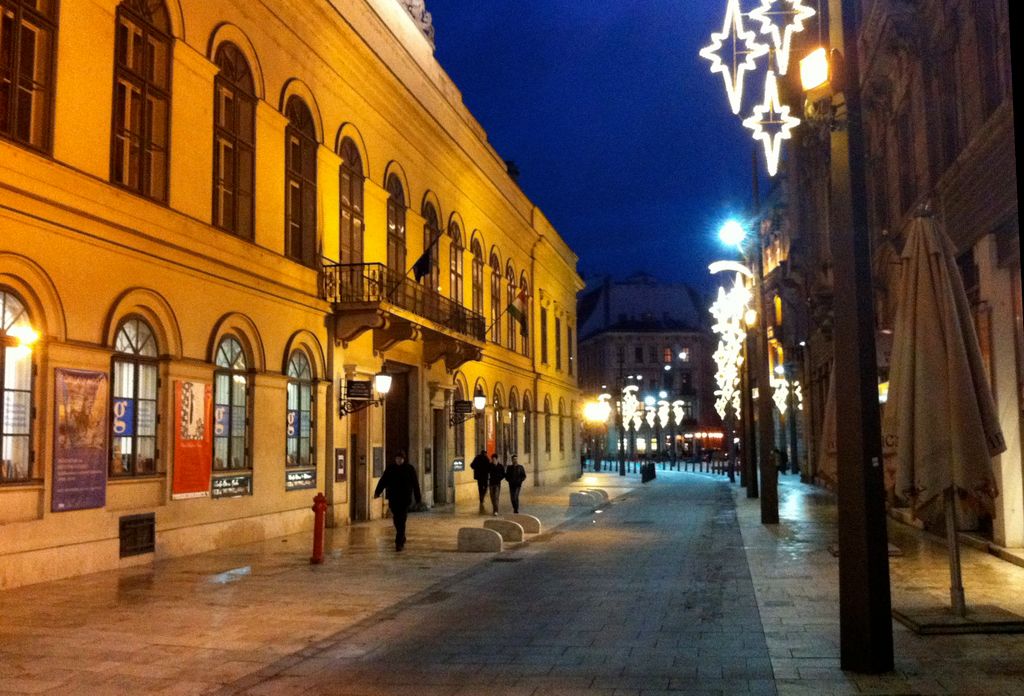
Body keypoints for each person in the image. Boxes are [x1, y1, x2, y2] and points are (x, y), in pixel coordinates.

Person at [373, 450, 421, 551]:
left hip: (404, 499)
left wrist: (418, 499)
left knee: (402, 520)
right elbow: (383, 481)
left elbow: (415, 484)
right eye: (397, 458)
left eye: (400, 459)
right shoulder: (391, 469)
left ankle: (398, 542)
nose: (398, 460)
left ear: (404, 459)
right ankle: (402, 536)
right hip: (393, 498)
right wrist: (378, 492)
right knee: (396, 520)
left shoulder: (409, 469)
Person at [469, 449, 491, 514]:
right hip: (484, 476)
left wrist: (476, 469)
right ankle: (482, 497)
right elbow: (489, 467)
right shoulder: (486, 458)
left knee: (480, 487)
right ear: (485, 453)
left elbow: (472, 465)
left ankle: (481, 497)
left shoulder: (477, 458)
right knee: (486, 487)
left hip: (479, 476)